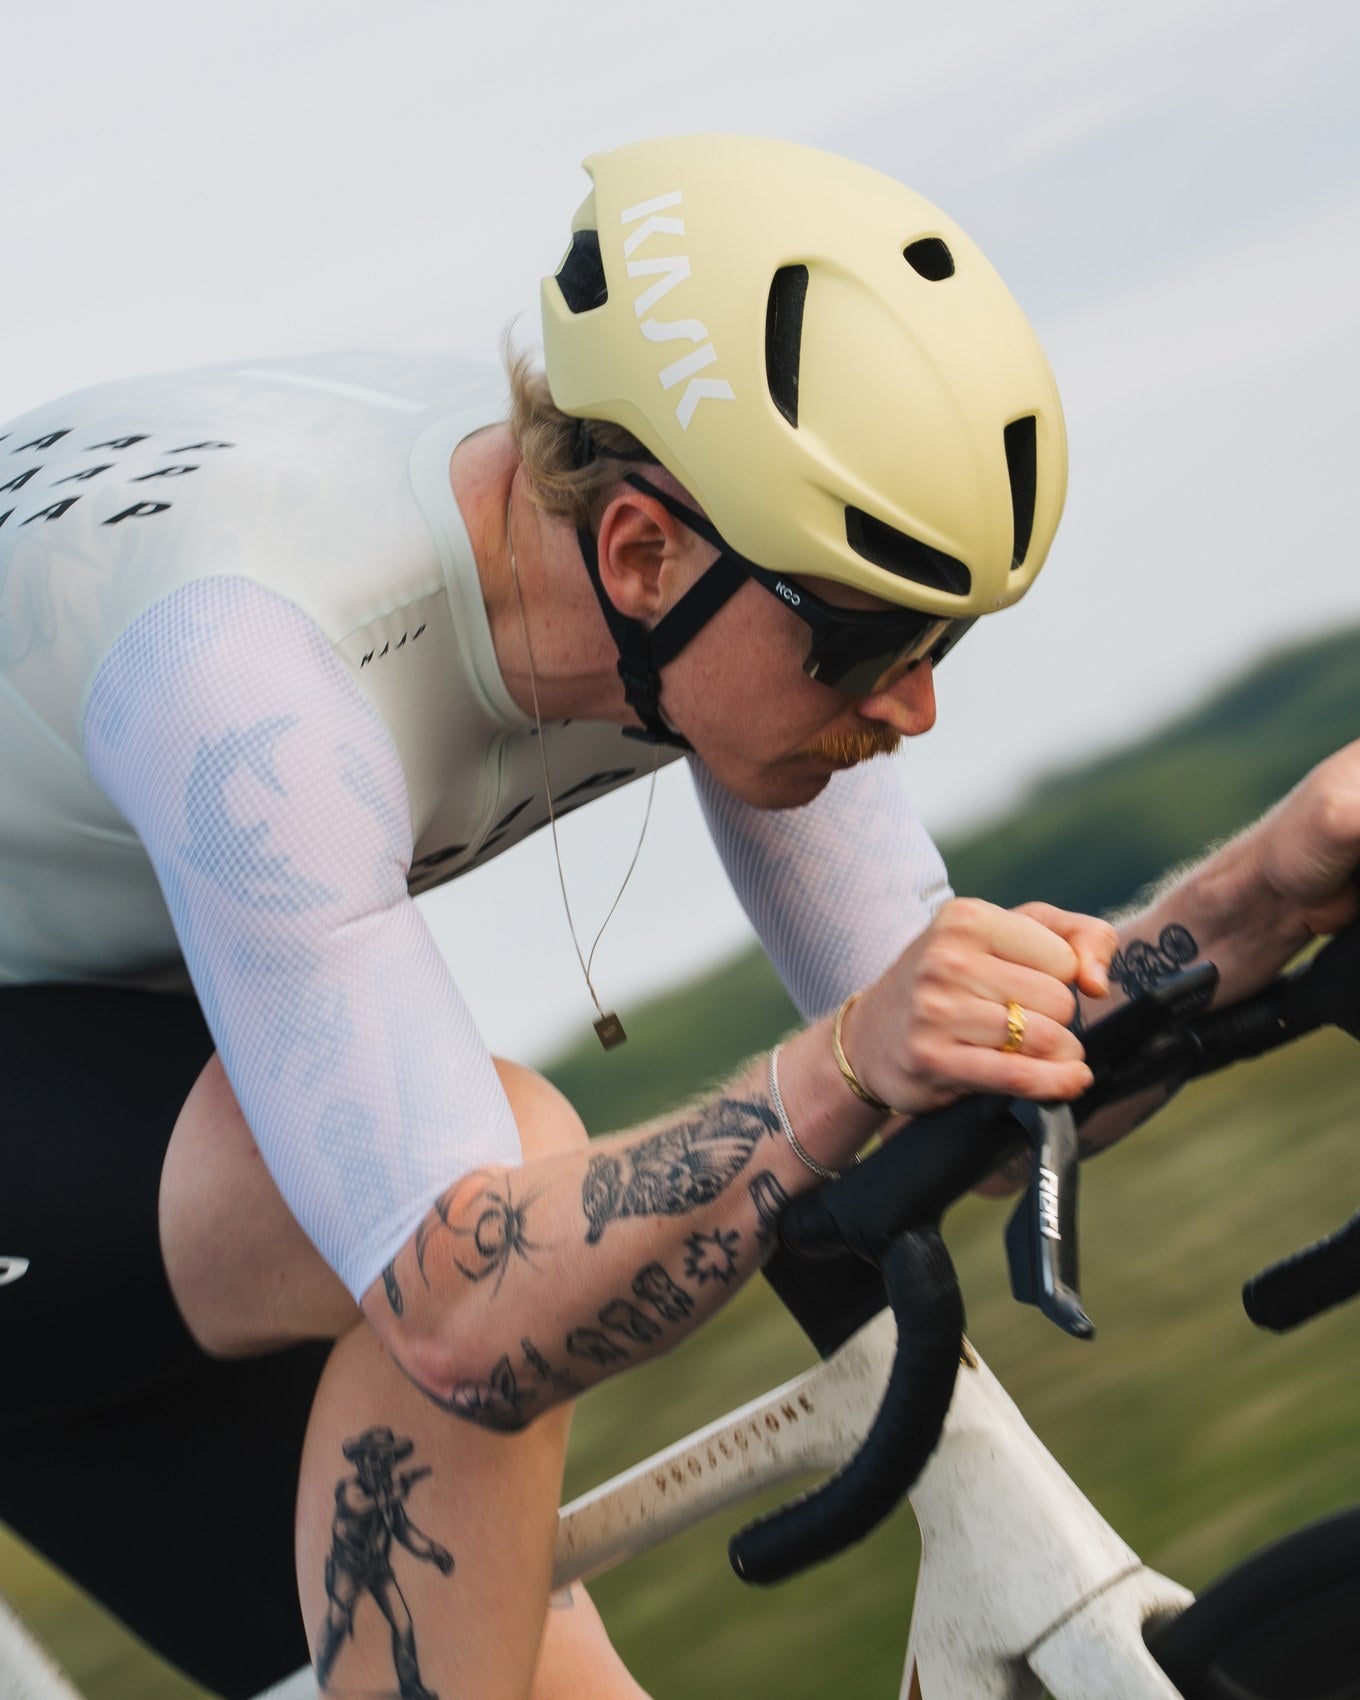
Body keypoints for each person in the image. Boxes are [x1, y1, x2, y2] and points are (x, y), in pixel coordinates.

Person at [0, 132, 1355, 1700]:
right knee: (499, 1173)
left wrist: (1273, 886)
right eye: (873, 644)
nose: (911, 708)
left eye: (947, 643)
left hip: (95, 1151)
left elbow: (963, 1055)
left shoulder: (699, 572)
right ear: (642, 551)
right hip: (86, 1118)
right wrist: (838, 1065)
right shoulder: (259, 680)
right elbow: (462, 1313)